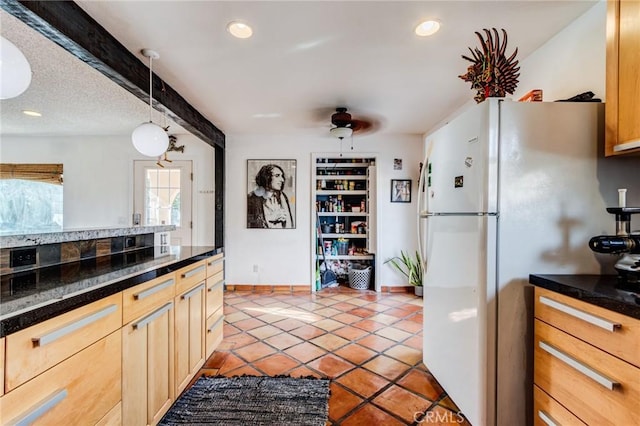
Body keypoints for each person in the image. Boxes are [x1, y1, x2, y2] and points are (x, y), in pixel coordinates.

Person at [247, 164, 294, 228]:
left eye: (282, 176)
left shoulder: (283, 197)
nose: (282, 180)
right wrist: (271, 217)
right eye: (277, 176)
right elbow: (249, 223)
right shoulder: (251, 198)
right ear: (266, 177)